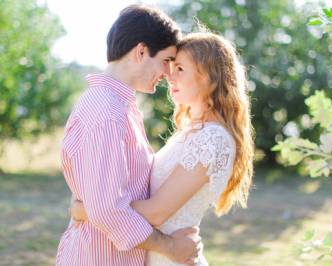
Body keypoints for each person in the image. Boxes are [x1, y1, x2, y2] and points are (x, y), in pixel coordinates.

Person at [70, 31, 255, 266]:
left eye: (180, 69)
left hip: (173, 258)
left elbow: (156, 212)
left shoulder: (213, 139)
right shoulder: (193, 131)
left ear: (210, 76)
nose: (169, 76)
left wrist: (87, 209)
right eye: (170, 66)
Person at [55, 5, 202, 266]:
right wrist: (171, 248)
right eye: (166, 61)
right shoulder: (107, 113)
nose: (169, 74)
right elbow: (108, 210)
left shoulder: (118, 106)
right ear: (141, 51)